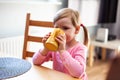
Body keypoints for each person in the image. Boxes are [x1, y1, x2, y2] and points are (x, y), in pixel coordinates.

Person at [32, 8, 89, 80]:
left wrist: (62, 51)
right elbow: (35, 62)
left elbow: (78, 72)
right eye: (57, 28)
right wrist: (45, 48)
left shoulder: (80, 48)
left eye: (65, 28)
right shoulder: (55, 45)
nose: (60, 32)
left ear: (77, 30)